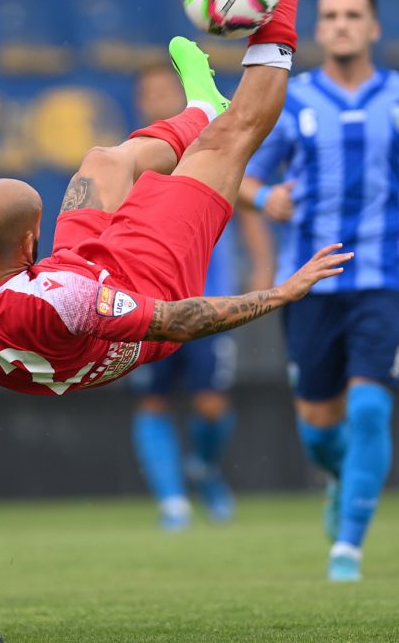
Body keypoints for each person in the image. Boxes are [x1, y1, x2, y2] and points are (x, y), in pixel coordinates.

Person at [0, 0, 344, 444]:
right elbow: (182, 321)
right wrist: (281, 293)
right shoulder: (60, 296)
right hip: (145, 290)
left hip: (72, 287)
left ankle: (200, 111)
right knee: (228, 142)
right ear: (33, 241)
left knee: (102, 162)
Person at [238, 0, 399, 582]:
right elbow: (245, 179)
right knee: (318, 431)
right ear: (318, 28)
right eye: (330, 14)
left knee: (368, 412)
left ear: (374, 27)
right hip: (309, 283)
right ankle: (337, 479)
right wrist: (266, 198)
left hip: (389, 278)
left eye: (353, 15)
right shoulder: (295, 100)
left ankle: (347, 551)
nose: (340, 24)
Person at [125, 63, 276, 531]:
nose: (157, 98)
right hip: (147, 302)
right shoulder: (133, 153)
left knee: (210, 404)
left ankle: (204, 467)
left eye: (165, 89)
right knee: (153, 403)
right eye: (148, 92)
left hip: (208, 297)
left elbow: (247, 199)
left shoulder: (210, 144)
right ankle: (172, 502)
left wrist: (263, 265)